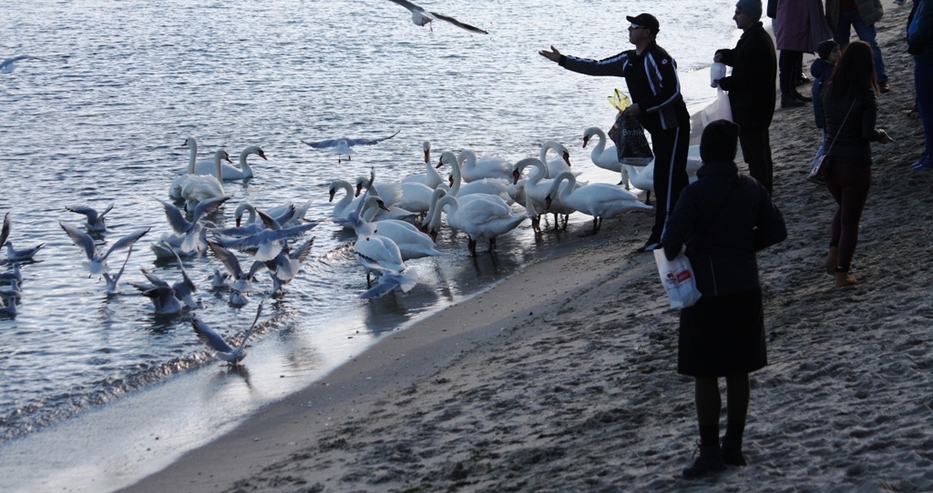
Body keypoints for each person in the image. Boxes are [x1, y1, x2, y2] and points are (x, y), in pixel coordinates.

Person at [661, 119, 787, 478]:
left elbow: (671, 243)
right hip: (746, 288)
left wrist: (695, 249)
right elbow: (777, 231)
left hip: (706, 293)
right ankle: (734, 446)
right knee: (738, 369)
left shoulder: (694, 194)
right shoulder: (751, 188)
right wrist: (745, 245)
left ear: (705, 155)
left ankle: (710, 452)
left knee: (705, 373)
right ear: (732, 152)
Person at [539, 13, 690, 252]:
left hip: (673, 127)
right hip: (657, 130)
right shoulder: (629, 59)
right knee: (674, 179)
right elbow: (597, 67)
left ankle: (663, 235)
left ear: (646, 32)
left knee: (667, 181)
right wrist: (563, 60)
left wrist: (642, 107)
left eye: (634, 26)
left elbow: (673, 93)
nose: (629, 29)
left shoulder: (659, 58)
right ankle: (687, 228)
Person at [821, 41, 894, 287]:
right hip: (855, 165)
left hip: (830, 165)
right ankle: (842, 272)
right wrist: (881, 134)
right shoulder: (865, 94)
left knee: (843, 209)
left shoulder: (829, 89)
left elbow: (823, 122)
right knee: (851, 220)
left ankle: (833, 251)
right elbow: (867, 132)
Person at [713, 0, 778, 194]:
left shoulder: (756, 41)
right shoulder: (753, 37)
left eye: (738, 13)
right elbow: (743, 60)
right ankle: (764, 192)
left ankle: (762, 194)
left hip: (753, 109)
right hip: (756, 107)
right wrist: (725, 55)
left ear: (749, 16)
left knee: (756, 154)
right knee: (759, 151)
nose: (734, 17)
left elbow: (748, 79)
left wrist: (723, 83)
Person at [774, 0, 834, 108]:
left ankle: (791, 91)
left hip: (798, 10)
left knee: (795, 51)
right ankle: (787, 94)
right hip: (792, 11)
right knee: (789, 52)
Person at [826, 0, 891, 93]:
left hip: (861, 9)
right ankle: (844, 82)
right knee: (840, 50)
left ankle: (880, 80)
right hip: (837, 11)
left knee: (870, 45)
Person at [809, 40, 842, 172]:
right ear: (826, 55)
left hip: (825, 116)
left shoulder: (825, 71)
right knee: (827, 143)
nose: (839, 53)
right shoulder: (829, 73)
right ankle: (815, 168)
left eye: (838, 49)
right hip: (827, 117)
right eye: (834, 51)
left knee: (829, 142)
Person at [908, 0, 933, 170]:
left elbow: (923, 29)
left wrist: (912, 44)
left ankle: (931, 155)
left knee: (928, 110)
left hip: (927, 59)